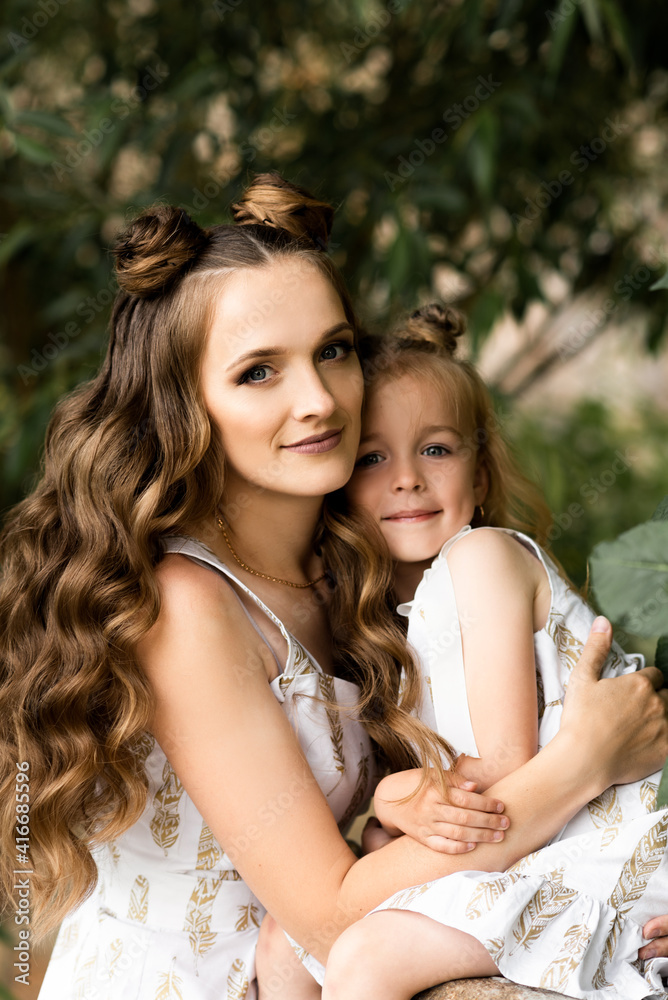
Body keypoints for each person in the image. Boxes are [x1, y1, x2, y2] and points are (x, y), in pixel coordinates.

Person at [0, 175, 666, 1000]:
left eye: (334, 350)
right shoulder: (188, 607)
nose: (317, 400)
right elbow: (328, 912)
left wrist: (623, 885)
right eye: (257, 373)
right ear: (183, 404)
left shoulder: (358, 568)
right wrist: (587, 760)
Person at [319, 304, 668, 999]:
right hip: (550, 839)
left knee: (366, 960)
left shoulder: (480, 558)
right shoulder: (403, 625)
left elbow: (507, 769)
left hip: (614, 847)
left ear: (479, 480)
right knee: (287, 943)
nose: (409, 478)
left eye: (438, 449)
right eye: (372, 457)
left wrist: (394, 798)